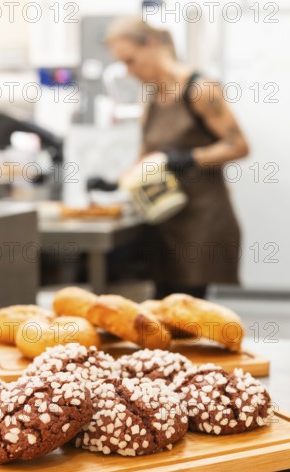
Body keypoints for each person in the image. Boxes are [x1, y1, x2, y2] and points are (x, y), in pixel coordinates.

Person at [106, 18, 249, 300]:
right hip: (163, 220)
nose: (129, 71)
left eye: (131, 61)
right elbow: (147, 155)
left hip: (201, 220)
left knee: (186, 312)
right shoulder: (151, 97)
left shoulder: (199, 89)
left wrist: (189, 158)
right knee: (161, 309)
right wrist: (118, 182)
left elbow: (238, 145)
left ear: (152, 45)